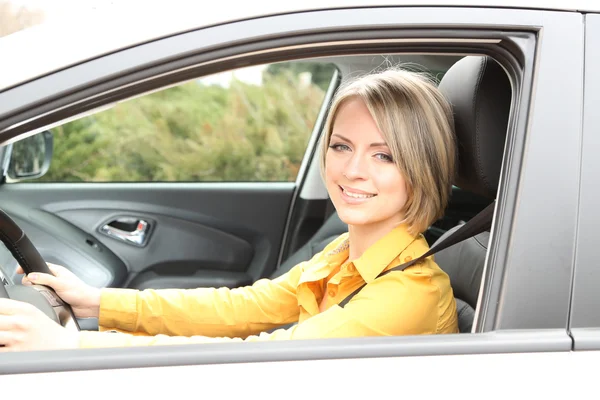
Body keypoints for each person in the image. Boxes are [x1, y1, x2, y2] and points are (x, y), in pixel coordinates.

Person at [0, 67, 458, 351]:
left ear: (422, 167)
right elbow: (244, 307)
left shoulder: (408, 294)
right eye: (341, 146)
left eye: (384, 155)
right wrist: (98, 302)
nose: (352, 169)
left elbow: (262, 361)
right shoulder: (344, 252)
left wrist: (70, 347)